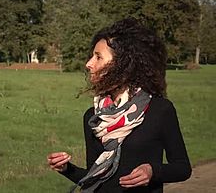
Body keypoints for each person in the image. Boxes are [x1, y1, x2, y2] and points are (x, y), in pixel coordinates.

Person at [47, 18, 191, 193]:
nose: (89, 64)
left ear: (123, 65)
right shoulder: (93, 117)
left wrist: (153, 171)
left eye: (98, 57)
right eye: (92, 56)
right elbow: (95, 178)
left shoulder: (159, 110)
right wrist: (66, 169)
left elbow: (182, 168)